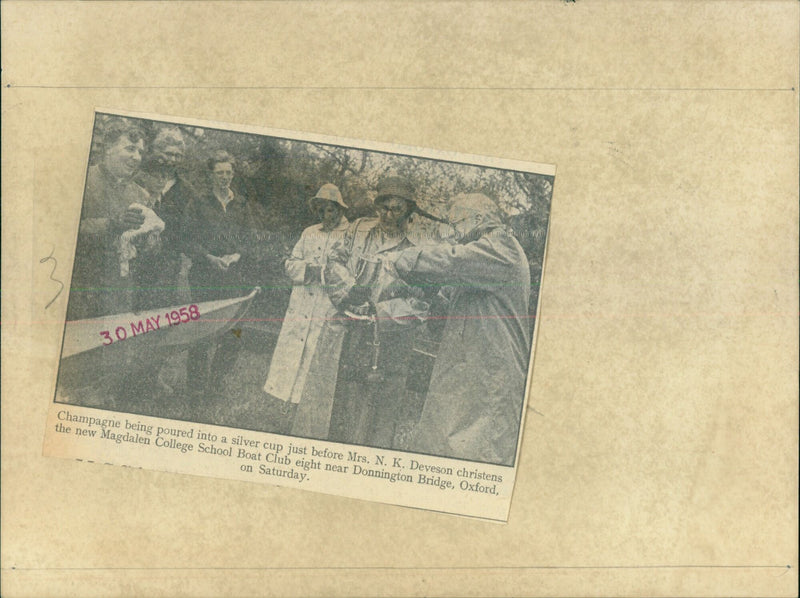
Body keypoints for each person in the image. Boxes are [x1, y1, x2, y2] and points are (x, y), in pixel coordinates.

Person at [390, 193, 531, 466]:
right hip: (470, 371)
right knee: (444, 448)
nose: (452, 233)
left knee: (479, 455)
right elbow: (450, 310)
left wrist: (401, 259)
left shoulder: (502, 248)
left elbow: (451, 260)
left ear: (479, 220)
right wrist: (430, 296)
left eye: (456, 224)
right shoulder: (482, 258)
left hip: (492, 375)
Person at [321, 176, 430, 448]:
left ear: (409, 211)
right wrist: (349, 293)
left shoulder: (421, 247)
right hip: (352, 327)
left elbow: (423, 302)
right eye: (383, 208)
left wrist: (380, 313)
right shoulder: (359, 229)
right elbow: (334, 259)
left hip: (392, 337)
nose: (388, 215)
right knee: (345, 396)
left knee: (384, 403)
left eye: (397, 209)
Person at [263, 184, 349, 424]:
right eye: (320, 210)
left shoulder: (350, 236)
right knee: (291, 354)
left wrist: (327, 274)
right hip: (301, 303)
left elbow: (348, 273)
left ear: (340, 210)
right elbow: (290, 263)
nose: (325, 216)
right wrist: (308, 270)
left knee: (314, 356)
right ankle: (282, 408)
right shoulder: (309, 232)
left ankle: (304, 412)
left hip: (326, 306)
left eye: (330, 210)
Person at [181, 150, 263, 400]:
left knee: (233, 334)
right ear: (211, 175)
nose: (224, 177)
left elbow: (252, 241)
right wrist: (208, 258)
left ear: (233, 174)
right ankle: (195, 387)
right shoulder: (198, 202)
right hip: (205, 278)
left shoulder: (241, 205)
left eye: (228, 172)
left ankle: (216, 384)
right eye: (219, 173)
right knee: (201, 333)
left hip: (235, 279)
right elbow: (187, 239)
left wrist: (237, 256)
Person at [67, 119, 155, 321]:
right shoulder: (83, 179)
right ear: (108, 148)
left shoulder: (141, 195)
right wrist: (112, 224)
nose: (136, 157)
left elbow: (142, 251)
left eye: (140, 152)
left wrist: (150, 239)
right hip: (81, 288)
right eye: (130, 149)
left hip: (119, 291)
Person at [134, 127, 197, 310]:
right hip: (137, 258)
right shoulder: (139, 180)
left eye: (178, 155)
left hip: (168, 261)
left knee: (160, 309)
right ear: (157, 152)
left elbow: (189, 230)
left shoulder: (187, 190)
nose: (172, 160)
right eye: (169, 154)